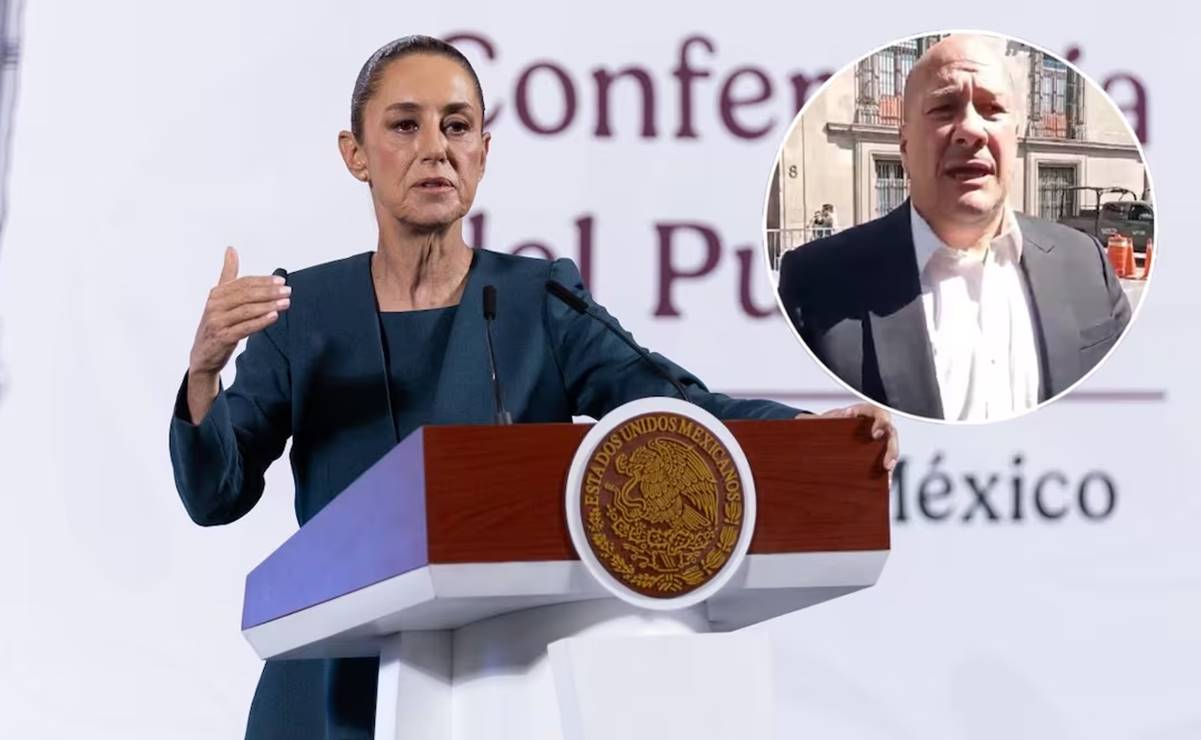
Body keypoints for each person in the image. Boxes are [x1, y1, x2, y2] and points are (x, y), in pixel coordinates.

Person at [169, 35, 900, 740]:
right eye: (405, 125)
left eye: (458, 126)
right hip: (325, 685)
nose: (436, 148)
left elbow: (670, 405)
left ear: (483, 153)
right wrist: (204, 371)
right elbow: (216, 494)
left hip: (489, 687)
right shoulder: (301, 312)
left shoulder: (537, 299)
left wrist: (801, 432)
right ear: (354, 153)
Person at [777, 34, 1131, 421]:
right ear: (905, 146)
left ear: (1015, 137)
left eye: (992, 109)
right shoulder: (814, 285)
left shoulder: (1088, 264)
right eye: (944, 108)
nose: (971, 130)